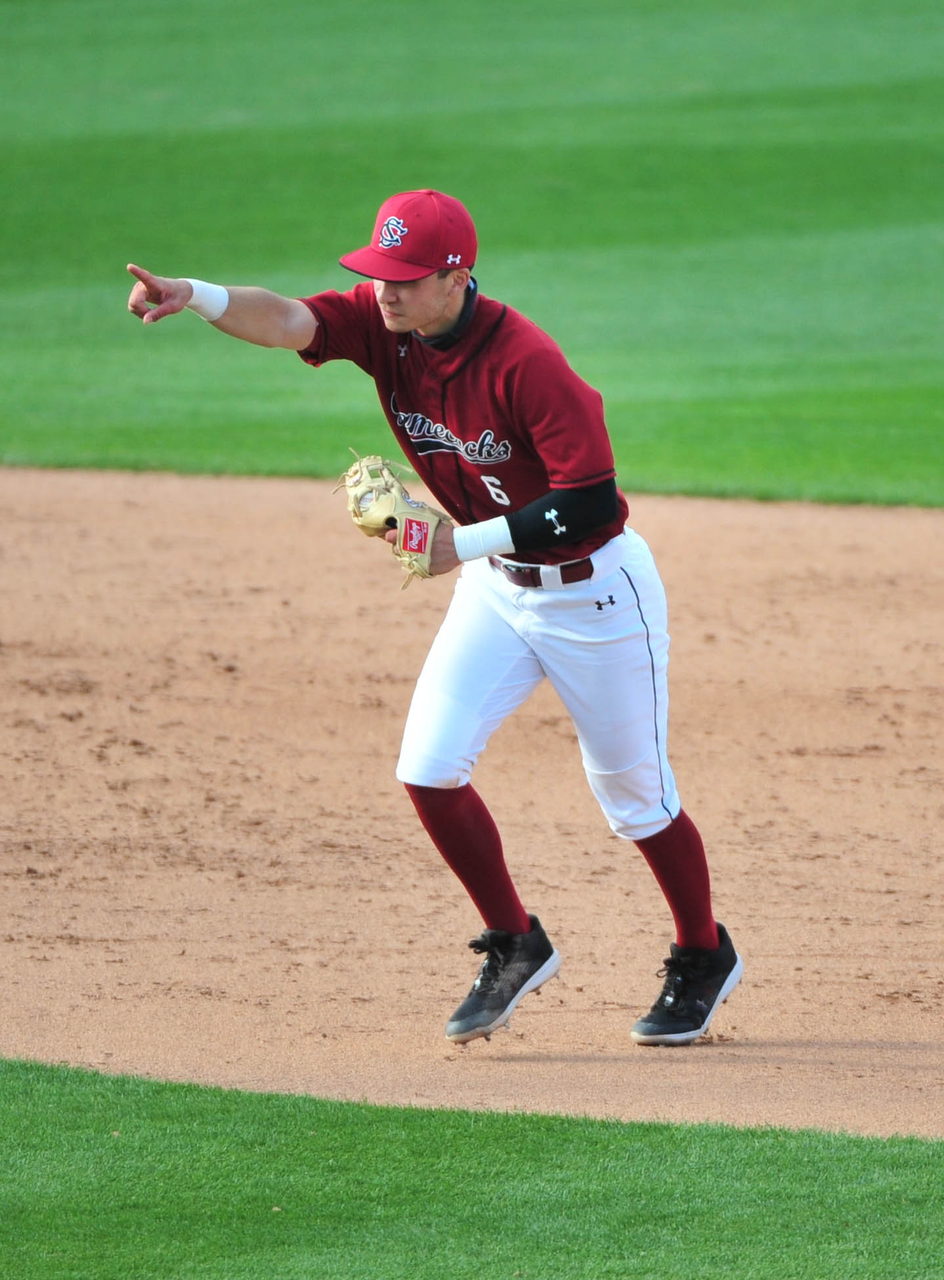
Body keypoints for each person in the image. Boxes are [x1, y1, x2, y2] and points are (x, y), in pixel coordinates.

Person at [127, 188, 743, 1047]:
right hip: (496, 587)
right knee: (428, 766)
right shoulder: (389, 331)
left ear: (457, 277)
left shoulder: (528, 362)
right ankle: (516, 940)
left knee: (634, 796)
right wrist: (195, 293)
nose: (386, 293)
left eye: (408, 280)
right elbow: (288, 320)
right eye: (380, 275)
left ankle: (703, 952)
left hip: (595, 591)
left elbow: (593, 500)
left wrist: (465, 541)